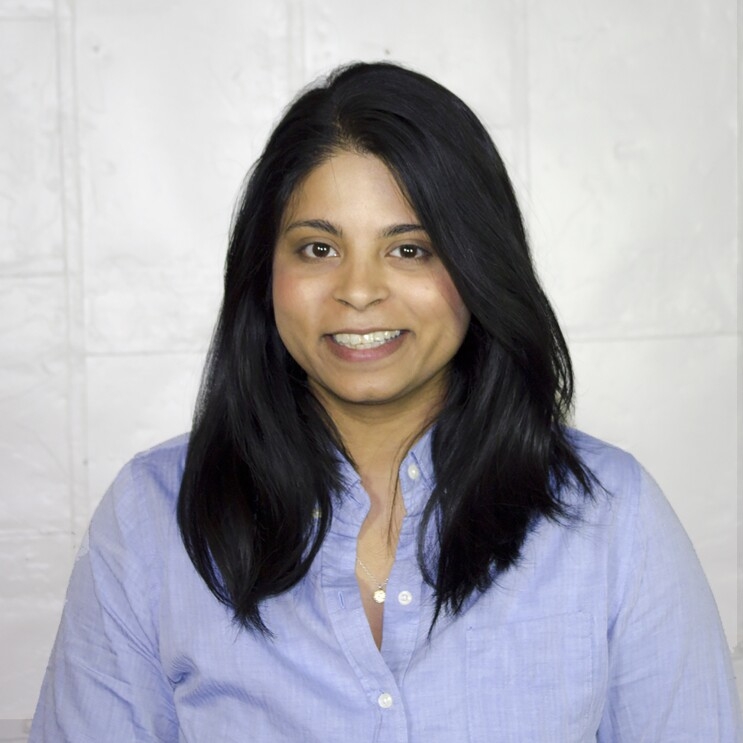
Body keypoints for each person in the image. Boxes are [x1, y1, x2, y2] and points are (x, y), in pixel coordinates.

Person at [30, 61, 740, 742]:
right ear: (263, 271)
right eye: (316, 248)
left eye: (409, 249)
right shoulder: (152, 519)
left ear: (477, 267)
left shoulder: (613, 519)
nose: (359, 289)